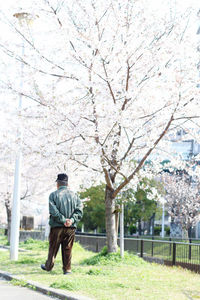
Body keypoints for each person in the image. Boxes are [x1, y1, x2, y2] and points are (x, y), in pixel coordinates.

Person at [41, 173, 83, 275]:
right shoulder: (75, 195)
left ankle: (49, 266)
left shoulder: (53, 195)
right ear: (67, 184)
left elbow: (53, 211)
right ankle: (67, 269)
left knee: (53, 247)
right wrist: (71, 220)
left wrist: (63, 220)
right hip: (71, 227)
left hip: (57, 226)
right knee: (68, 248)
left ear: (58, 184)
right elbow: (79, 211)